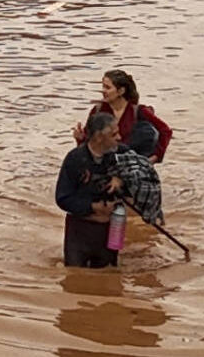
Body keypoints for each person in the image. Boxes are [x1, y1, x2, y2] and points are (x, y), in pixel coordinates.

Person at [56, 112, 125, 268]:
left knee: (111, 271)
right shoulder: (74, 159)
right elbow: (62, 198)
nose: (119, 138)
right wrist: (92, 207)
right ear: (99, 137)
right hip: (81, 228)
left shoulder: (122, 154)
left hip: (115, 224)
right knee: (75, 276)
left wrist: (121, 178)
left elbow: (143, 173)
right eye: (114, 134)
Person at [73, 69, 173, 163]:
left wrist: (155, 157)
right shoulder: (97, 111)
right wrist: (80, 138)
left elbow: (165, 131)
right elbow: (89, 144)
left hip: (132, 166)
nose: (103, 91)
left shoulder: (139, 111)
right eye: (103, 86)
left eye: (107, 87)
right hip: (104, 166)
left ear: (121, 91)